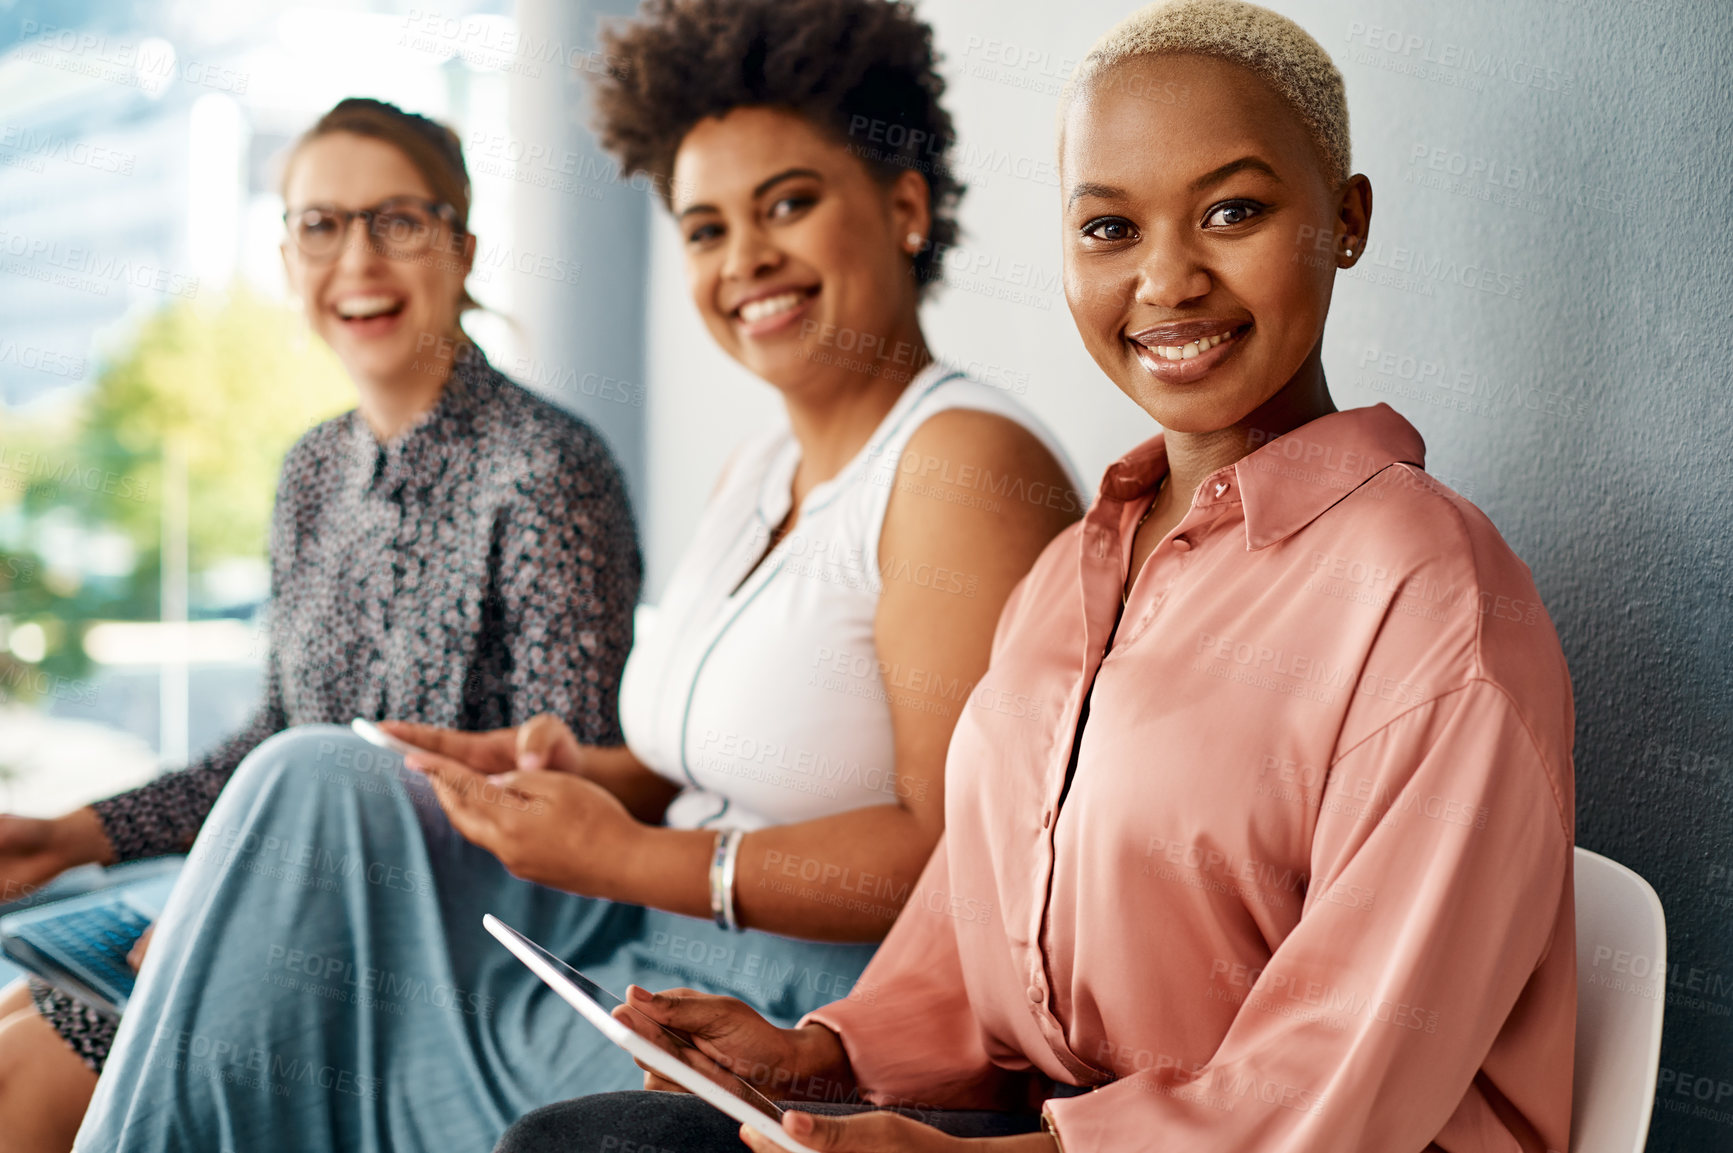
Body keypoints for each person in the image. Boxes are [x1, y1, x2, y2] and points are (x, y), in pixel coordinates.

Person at [495, 3, 1578, 1152]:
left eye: (1232, 211)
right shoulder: (1071, 571)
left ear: (1343, 220)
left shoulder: (1431, 600)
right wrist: (820, 1053)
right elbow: (981, 921)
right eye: (1108, 229)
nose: (1166, 279)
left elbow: (1339, 1085)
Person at [73, 2, 1081, 1150]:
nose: (742, 256)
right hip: (643, 954)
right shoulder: (757, 473)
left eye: (787, 204)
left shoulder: (962, 464)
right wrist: (550, 770)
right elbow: (688, 766)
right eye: (703, 228)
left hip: (798, 1010)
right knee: (321, 776)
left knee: (261, 901)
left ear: (904, 208)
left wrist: (628, 854)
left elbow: (959, 862)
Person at [0, 97, 641, 1153]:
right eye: (319, 224)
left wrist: (248, 916)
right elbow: (271, 741)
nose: (357, 258)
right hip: (285, 908)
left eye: (396, 219)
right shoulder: (311, 473)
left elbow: (562, 798)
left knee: (23, 1071)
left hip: (443, 956)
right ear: (287, 251)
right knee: (20, 1010)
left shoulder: (547, 471)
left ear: (463, 244)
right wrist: (68, 833)